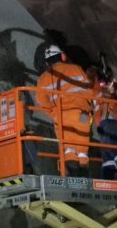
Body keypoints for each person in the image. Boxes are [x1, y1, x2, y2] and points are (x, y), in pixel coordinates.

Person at [35, 42, 96, 176]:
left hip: (60, 117)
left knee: (68, 149)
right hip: (81, 114)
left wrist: (54, 113)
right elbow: (89, 92)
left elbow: (42, 101)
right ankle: (84, 174)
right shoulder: (75, 69)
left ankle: (73, 176)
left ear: (47, 63)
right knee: (82, 149)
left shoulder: (42, 79)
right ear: (62, 57)